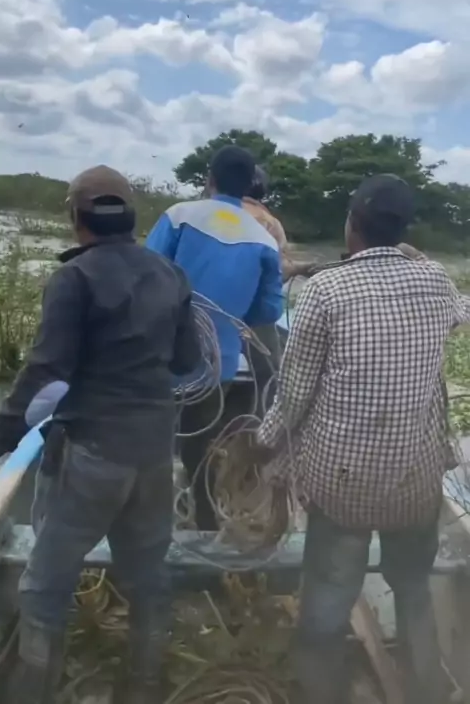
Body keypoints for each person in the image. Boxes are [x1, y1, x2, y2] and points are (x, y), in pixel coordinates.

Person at [0, 166, 201, 704]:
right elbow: (186, 360)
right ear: (130, 215)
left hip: (93, 453)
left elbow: (47, 376)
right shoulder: (171, 275)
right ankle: (144, 687)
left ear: (75, 217)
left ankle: (32, 692)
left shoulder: (74, 278)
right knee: (147, 578)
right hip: (155, 451)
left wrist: (1, 436)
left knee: (43, 588)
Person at [257, 173, 470, 704]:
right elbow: (460, 314)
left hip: (342, 481)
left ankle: (320, 691)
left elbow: (295, 395)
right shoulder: (435, 281)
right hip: (416, 477)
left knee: (330, 596)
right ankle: (427, 687)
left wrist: (263, 442)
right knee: (414, 588)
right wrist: (418, 262)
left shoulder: (325, 289)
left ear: (351, 224)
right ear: (403, 230)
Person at [146, 146, 283, 530]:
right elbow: (268, 311)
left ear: (210, 178)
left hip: (157, 359)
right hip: (215, 369)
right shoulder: (264, 239)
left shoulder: (179, 216)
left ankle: (146, 522)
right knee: (199, 449)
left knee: (149, 442)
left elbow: (144, 275)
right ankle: (206, 522)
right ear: (250, 185)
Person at [242, 165, 319, 415]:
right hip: (252, 316)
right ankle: (263, 423)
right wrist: (299, 268)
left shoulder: (207, 213)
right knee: (271, 375)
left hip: (205, 310)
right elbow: (276, 274)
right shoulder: (268, 223)